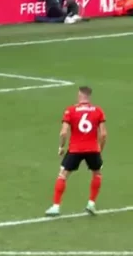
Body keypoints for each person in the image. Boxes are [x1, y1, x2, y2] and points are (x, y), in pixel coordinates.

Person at [46, 86, 107, 217]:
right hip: (93, 149)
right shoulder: (98, 111)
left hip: (75, 149)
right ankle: (91, 204)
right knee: (97, 174)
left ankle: (56, 207)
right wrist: (99, 150)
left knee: (63, 175)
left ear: (79, 95)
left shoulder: (71, 110)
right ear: (89, 96)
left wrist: (61, 147)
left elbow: (63, 132)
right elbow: (103, 134)